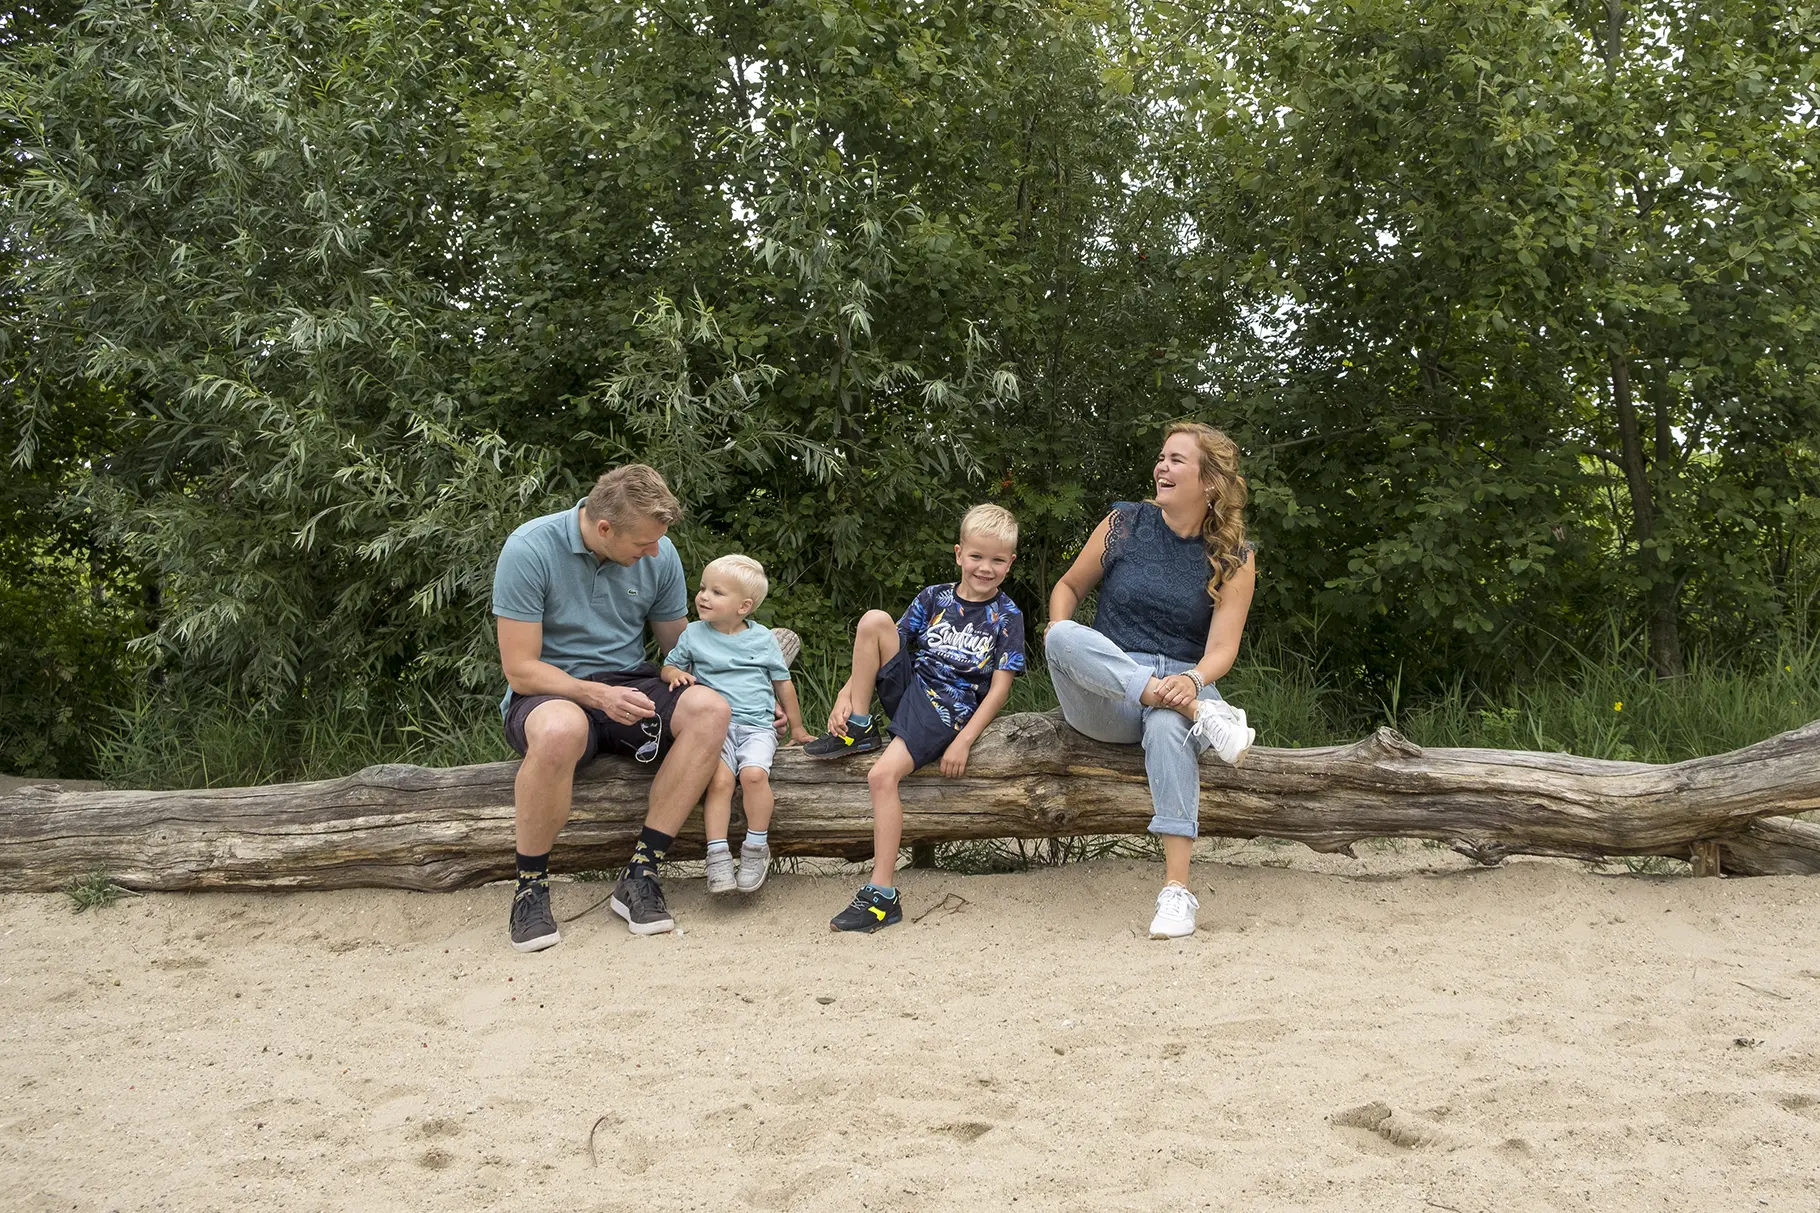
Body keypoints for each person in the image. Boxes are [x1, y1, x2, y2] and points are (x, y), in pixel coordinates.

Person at [492, 465, 732, 951]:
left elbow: (680, 649)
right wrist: (594, 695)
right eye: (643, 544)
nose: (654, 553)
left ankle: (641, 872)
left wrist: (746, 696)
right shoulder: (529, 549)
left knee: (711, 710)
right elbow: (520, 668)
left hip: (629, 681)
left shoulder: (658, 551)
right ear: (604, 529)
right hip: (549, 689)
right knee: (561, 729)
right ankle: (530, 889)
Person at [1044, 422, 1257, 941]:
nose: (1161, 467)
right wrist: (1058, 622)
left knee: (1166, 726)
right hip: (1108, 690)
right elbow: (1069, 587)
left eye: (1176, 460)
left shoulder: (1235, 556)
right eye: (1161, 458)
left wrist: (1191, 682)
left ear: (1209, 482)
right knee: (1061, 637)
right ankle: (1201, 714)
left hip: (1185, 683)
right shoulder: (1125, 523)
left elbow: (1222, 650)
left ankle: (1176, 893)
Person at [804, 504, 1027, 932]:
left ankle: (882, 894)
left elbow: (1000, 688)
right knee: (874, 620)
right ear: (959, 553)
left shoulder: (1007, 616)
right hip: (911, 689)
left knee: (880, 777)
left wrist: (963, 741)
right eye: (977, 556)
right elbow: (886, 644)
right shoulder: (933, 597)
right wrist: (846, 695)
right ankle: (859, 728)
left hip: (947, 707)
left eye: (997, 560)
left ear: (1010, 563)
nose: (985, 567)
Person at [659, 554, 814, 895]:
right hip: (715, 729)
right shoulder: (693, 635)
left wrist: (798, 728)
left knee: (754, 775)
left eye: (716, 592)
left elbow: (782, 682)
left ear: (743, 606)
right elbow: (668, 667)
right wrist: (676, 674)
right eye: (702, 588)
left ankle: (756, 847)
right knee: (718, 781)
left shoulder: (761, 640)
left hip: (757, 725)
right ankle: (716, 855)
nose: (703, 597)